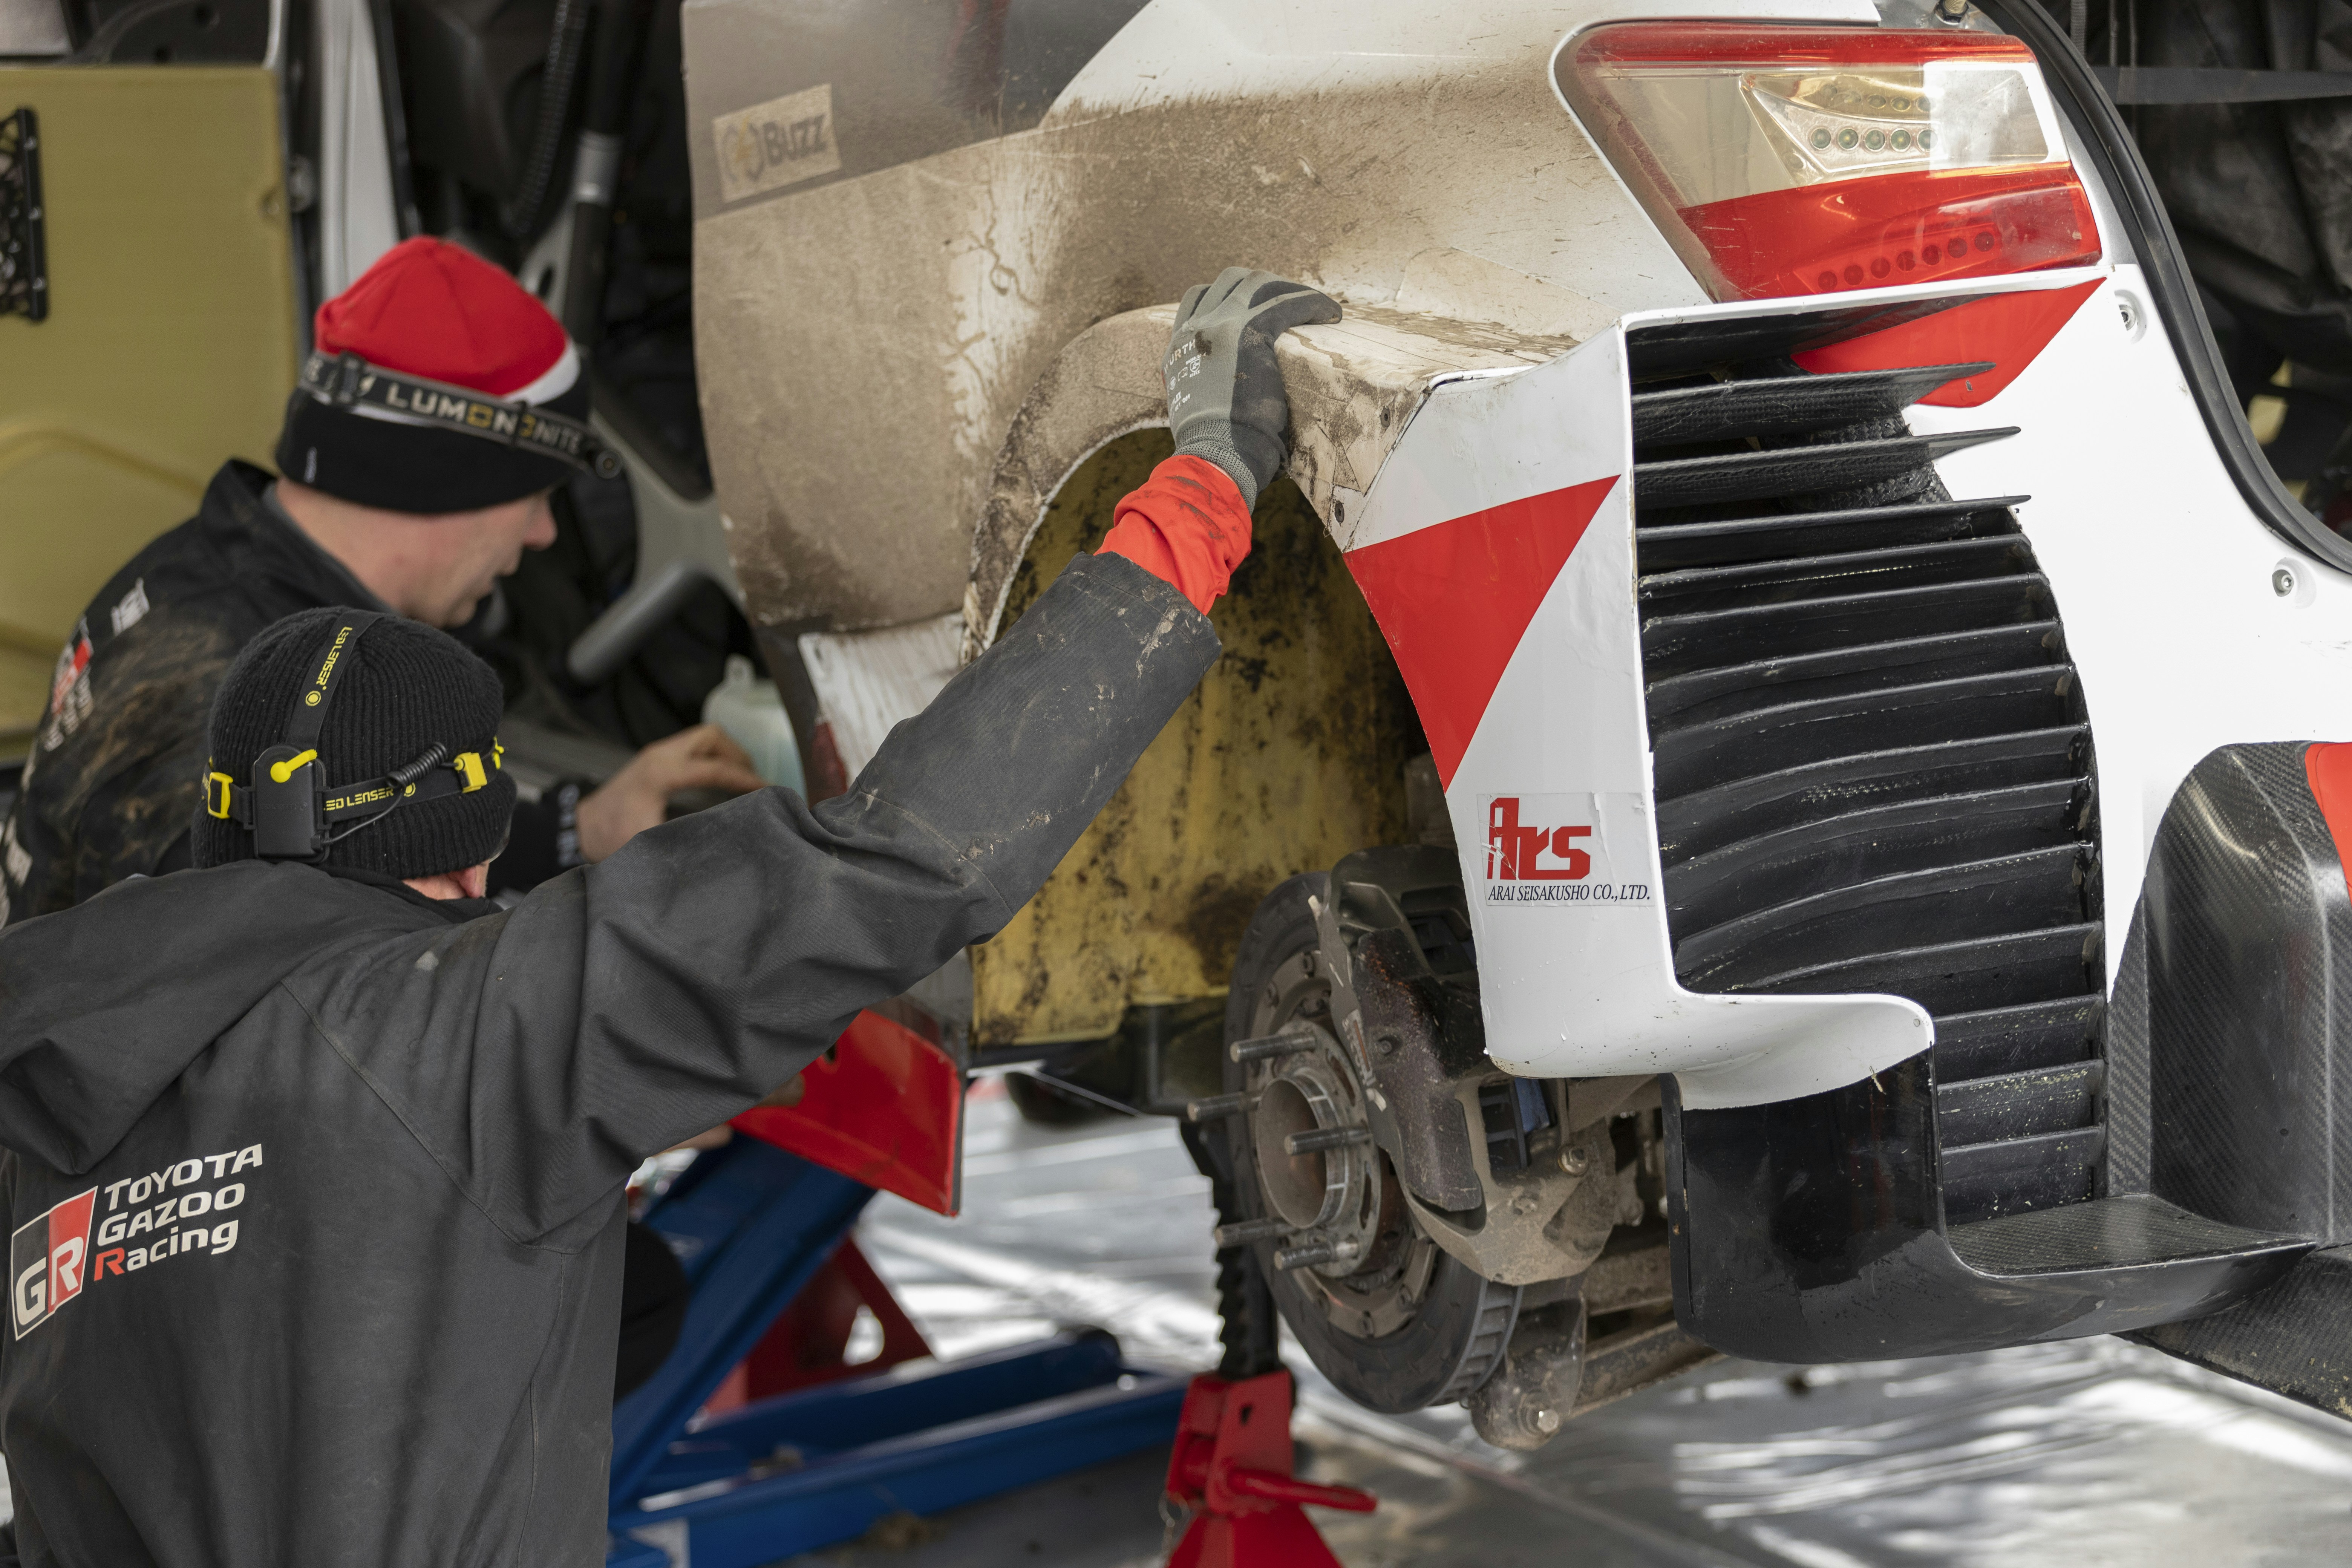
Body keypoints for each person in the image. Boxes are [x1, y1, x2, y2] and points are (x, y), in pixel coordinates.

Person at [0, 268, 1340, 1566]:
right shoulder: (472, 1044)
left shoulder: (49, 1076)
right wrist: (1206, 485)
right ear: (469, 859)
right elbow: (907, 855)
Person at [0, 235, 764, 931]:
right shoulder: (245, 709)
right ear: (450, 477)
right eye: (536, 494)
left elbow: (367, 839)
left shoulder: (215, 579)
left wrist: (582, 828)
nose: (544, 534)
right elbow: (302, 1022)